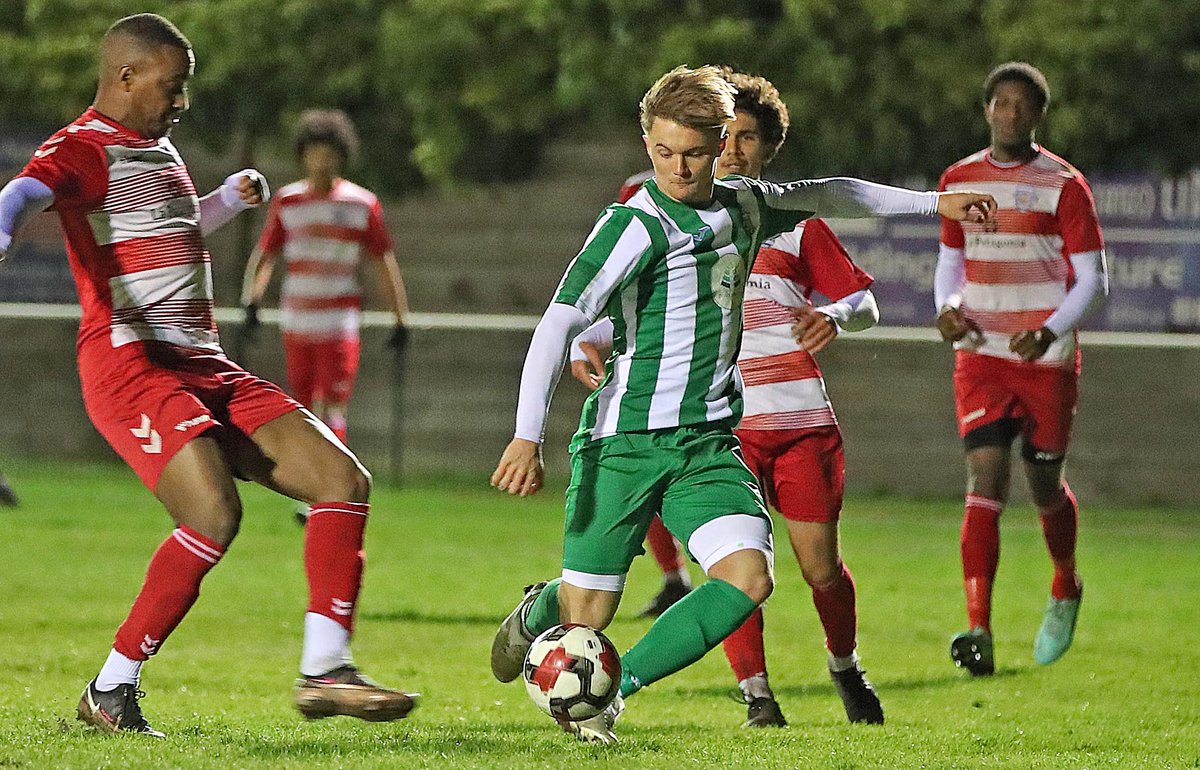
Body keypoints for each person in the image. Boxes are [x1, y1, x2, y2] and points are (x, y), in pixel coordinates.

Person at [489, 64, 994, 744]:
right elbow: (558, 322)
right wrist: (527, 435)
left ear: (721, 141)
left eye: (694, 152)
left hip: (705, 445)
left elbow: (831, 193)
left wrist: (937, 204)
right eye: (663, 151)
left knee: (748, 577)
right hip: (625, 444)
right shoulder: (632, 225)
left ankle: (613, 690)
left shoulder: (746, 207)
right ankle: (538, 611)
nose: (678, 166)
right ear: (648, 144)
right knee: (587, 612)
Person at [0, 13, 415, 737]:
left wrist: (225, 199)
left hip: (205, 361)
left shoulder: (158, 151)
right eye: (173, 86)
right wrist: (3, 224)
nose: (182, 101)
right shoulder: (81, 148)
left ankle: (325, 669)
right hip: (131, 362)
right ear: (126, 76)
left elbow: (171, 227)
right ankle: (111, 688)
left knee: (343, 483)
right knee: (214, 516)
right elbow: (25, 192)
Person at [572, 69, 884, 728]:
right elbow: (622, 299)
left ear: (769, 148)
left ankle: (844, 664)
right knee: (733, 571)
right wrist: (588, 339)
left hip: (798, 420)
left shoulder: (785, 222)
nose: (735, 149)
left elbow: (860, 296)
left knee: (819, 569)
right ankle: (757, 695)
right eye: (727, 136)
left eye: (748, 138)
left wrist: (839, 314)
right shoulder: (662, 210)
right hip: (715, 427)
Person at [934, 62, 1108, 676]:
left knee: (1042, 487)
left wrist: (1051, 329)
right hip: (981, 355)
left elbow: (1092, 277)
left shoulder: (1064, 185)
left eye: (1021, 105)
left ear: (1037, 115)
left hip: (1045, 360)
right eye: (1000, 103)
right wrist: (946, 309)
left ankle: (1065, 582)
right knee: (985, 480)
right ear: (986, 110)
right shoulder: (959, 179)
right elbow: (951, 263)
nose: (1010, 113)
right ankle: (977, 628)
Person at [241, 108, 410, 447]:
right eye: (315, 153)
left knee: (334, 404)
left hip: (339, 320)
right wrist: (252, 301)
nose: (322, 162)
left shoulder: (361, 204)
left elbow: (382, 262)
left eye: (329, 154)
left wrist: (400, 317)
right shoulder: (288, 201)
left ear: (342, 157)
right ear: (303, 156)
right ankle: (310, 492)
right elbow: (266, 255)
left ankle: (334, 488)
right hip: (298, 319)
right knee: (301, 404)